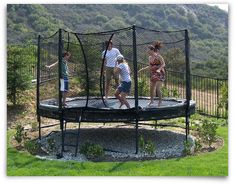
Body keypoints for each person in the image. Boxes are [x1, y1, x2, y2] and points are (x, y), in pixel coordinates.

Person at [138, 41, 165, 107]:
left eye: (148, 50)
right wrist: (141, 70)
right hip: (153, 74)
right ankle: (151, 101)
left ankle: (160, 102)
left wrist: (159, 69)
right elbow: (150, 67)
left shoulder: (158, 56)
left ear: (152, 50)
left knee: (158, 88)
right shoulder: (150, 58)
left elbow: (163, 64)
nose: (147, 51)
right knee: (151, 88)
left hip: (160, 73)